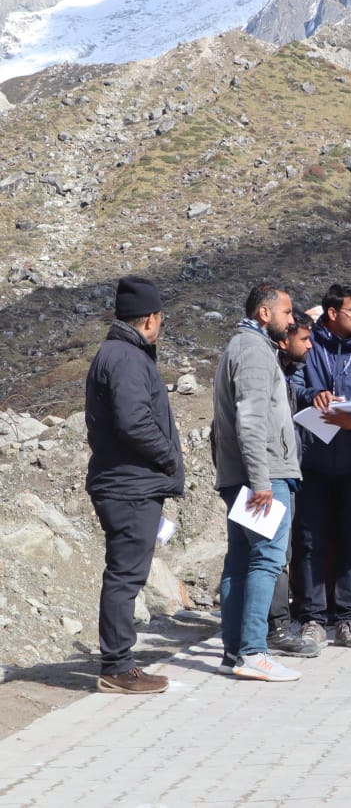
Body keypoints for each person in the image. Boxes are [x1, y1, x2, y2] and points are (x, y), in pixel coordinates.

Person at [86, 276, 184, 694]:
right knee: (125, 575)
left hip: (126, 482)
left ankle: (120, 662)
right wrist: (167, 456)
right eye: (161, 319)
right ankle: (117, 666)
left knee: (125, 572)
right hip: (130, 486)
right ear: (150, 319)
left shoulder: (118, 353)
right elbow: (133, 422)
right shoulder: (125, 358)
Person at [212, 283, 302, 682]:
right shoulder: (252, 351)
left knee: (241, 560)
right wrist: (261, 480)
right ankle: (252, 651)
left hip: (247, 476)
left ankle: (234, 651)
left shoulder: (247, 347)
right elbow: (249, 420)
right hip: (263, 477)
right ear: (265, 314)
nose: (292, 320)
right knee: (266, 559)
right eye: (287, 312)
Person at [295, 284, 351, 652]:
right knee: (309, 541)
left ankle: (346, 619)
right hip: (312, 461)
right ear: (332, 313)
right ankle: (312, 619)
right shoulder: (309, 346)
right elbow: (295, 384)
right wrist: (310, 395)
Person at [267, 309, 320, 659]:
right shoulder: (264, 372)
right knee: (269, 556)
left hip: (278, 474)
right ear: (285, 340)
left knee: (276, 554)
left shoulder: (287, 375)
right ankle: (275, 628)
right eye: (304, 338)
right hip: (266, 479)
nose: (310, 345)